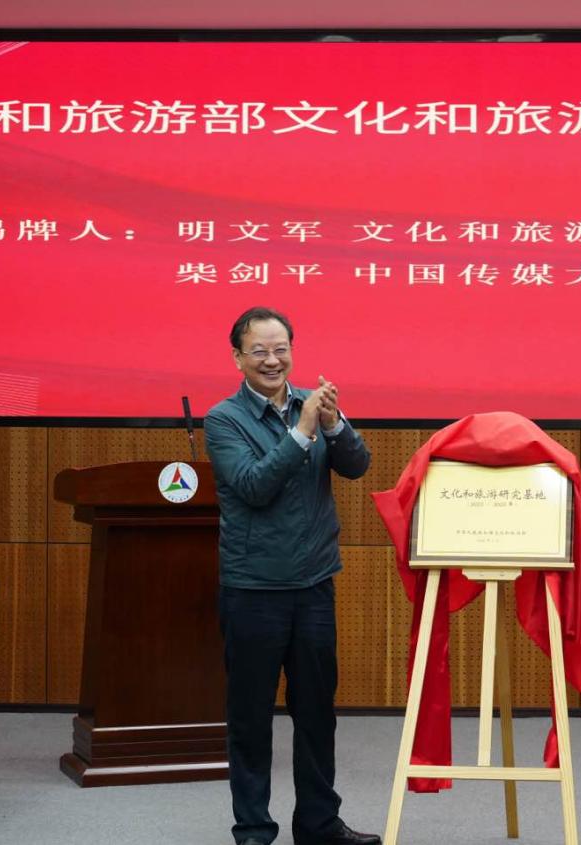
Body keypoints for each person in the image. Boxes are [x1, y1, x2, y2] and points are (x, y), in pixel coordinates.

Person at [204, 306, 377, 845]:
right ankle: (254, 829)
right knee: (251, 717)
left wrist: (334, 425)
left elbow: (357, 466)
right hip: (253, 588)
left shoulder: (312, 404)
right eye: (259, 351)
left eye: (281, 349)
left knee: (317, 713)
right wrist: (302, 434)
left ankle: (319, 824)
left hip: (314, 585)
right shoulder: (223, 419)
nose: (272, 360)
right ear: (237, 358)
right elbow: (254, 486)